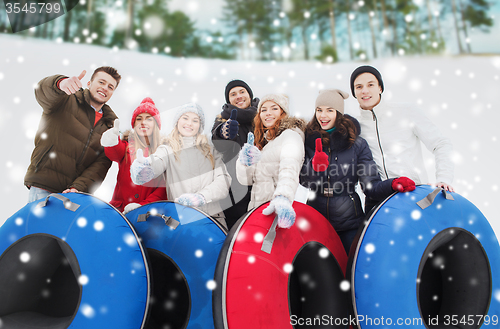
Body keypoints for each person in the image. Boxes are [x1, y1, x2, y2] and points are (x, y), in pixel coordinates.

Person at [300, 89, 415, 254]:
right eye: (319, 110)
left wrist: (393, 184)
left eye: (329, 110)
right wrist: (314, 168)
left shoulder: (357, 144)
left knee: (352, 268)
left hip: (349, 222)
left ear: (339, 113)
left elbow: (370, 186)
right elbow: (302, 180)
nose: (323, 116)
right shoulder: (309, 140)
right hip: (316, 218)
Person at [350, 65, 454, 195]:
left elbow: (441, 144)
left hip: (414, 194)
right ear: (354, 92)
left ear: (380, 88)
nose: (364, 91)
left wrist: (444, 178)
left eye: (370, 85)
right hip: (381, 201)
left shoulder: (406, 112)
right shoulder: (354, 127)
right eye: (359, 87)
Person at [25, 66, 121, 202]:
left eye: (110, 87)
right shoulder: (65, 99)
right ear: (89, 83)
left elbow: (100, 165)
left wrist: (78, 188)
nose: (105, 88)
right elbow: (43, 91)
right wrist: (60, 83)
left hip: (73, 196)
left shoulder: (109, 126)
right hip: (44, 186)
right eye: (101, 82)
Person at [130, 103, 231, 228]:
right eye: (185, 118)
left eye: (195, 120)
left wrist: (202, 197)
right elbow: (157, 160)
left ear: (200, 126)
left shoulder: (210, 150)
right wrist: (146, 168)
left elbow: (223, 180)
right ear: (177, 122)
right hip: (182, 221)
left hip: (213, 218)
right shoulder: (167, 149)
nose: (189, 123)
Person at [236, 94, 306, 229]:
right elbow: (246, 180)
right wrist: (244, 162)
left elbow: (289, 167)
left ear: (283, 113)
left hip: (278, 213)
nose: (268, 113)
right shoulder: (266, 143)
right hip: (258, 212)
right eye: (263, 110)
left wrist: (283, 197)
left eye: (274, 108)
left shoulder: (290, 136)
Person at [100, 97, 167, 213]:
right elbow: (114, 152)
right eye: (139, 119)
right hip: (119, 212)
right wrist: (112, 141)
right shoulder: (126, 146)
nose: (143, 122)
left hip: (148, 213)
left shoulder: (162, 153)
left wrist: (143, 206)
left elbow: (162, 189)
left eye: (149, 119)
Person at [211, 79, 260, 228]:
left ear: (249, 95)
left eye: (242, 92)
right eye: (233, 94)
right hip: (235, 194)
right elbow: (217, 139)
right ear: (229, 100)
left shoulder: (263, 117)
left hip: (262, 188)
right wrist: (224, 132)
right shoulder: (223, 120)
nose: (238, 96)